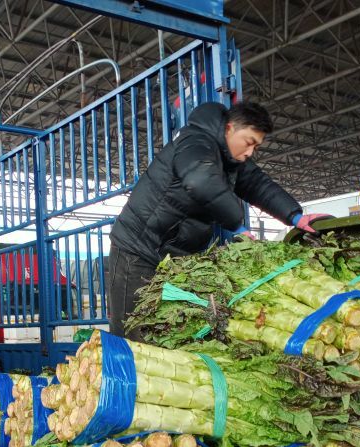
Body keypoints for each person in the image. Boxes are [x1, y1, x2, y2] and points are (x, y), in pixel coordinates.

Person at [108, 101, 330, 340]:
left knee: (164, 332)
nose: (249, 153)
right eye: (248, 142)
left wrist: (295, 216)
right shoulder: (195, 142)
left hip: (172, 258)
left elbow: (258, 184)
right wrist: (238, 225)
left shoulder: (231, 160)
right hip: (138, 250)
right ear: (229, 128)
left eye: (256, 147)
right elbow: (200, 181)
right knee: (132, 332)